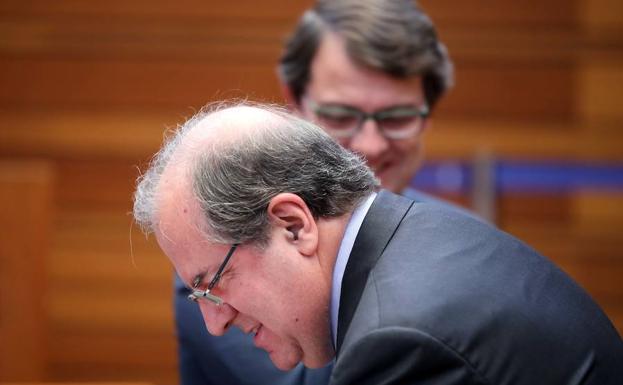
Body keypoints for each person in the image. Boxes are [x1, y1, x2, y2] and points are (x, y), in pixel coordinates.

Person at [135, 103, 623, 385]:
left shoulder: (398, 345)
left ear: (293, 225)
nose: (214, 323)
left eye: (213, 283)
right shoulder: (421, 235)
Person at [174, 1, 455, 383]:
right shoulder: (222, 272)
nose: (370, 144)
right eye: (340, 115)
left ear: (429, 114)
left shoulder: (459, 236)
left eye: (397, 117)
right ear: (294, 103)